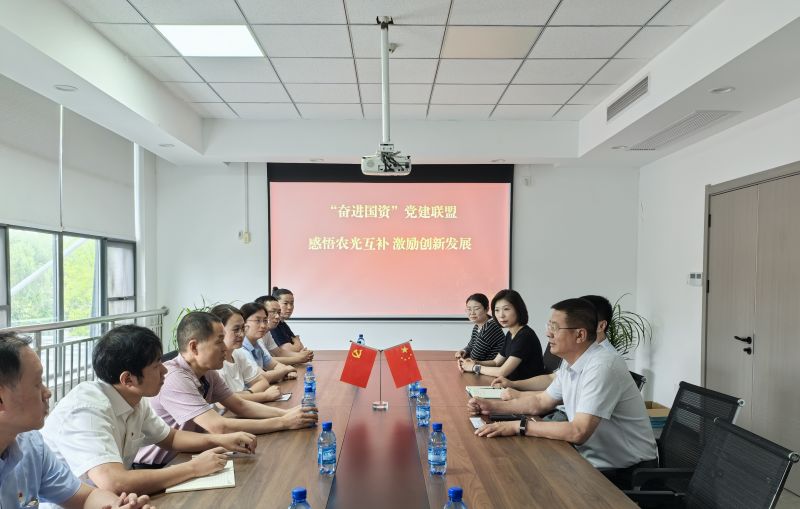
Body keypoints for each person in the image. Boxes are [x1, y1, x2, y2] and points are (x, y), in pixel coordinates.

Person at [41, 325, 257, 495]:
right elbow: (114, 483)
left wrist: (222, 440)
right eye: (156, 365)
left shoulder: (134, 398)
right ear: (128, 379)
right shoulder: (86, 410)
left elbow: (171, 438)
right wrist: (194, 468)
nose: (164, 370)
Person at [470, 298, 657, 475]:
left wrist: (518, 426)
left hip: (625, 471)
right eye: (549, 326)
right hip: (588, 459)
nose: (548, 333)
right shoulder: (571, 362)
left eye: (555, 327)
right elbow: (540, 402)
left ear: (580, 335)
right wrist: (491, 406)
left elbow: (578, 431)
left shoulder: (603, 365)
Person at [134, 312, 317, 466]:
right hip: (158, 466)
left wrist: (287, 414)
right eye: (219, 341)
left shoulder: (207, 372)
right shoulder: (174, 377)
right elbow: (219, 426)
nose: (225, 347)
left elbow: (240, 405)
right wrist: (284, 422)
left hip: (187, 455)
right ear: (194, 347)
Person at [0, 332, 153, 509]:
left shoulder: (32, 444)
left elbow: (86, 497)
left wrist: (118, 505)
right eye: (37, 384)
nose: (47, 392)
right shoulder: (87, 406)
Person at [492, 294, 618, 401]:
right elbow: (552, 379)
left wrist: (520, 395)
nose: (549, 334)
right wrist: (512, 384)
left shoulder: (603, 362)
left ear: (601, 326)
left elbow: (566, 398)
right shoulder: (578, 350)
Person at [457, 289, 545, 381]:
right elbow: (496, 362)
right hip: (510, 384)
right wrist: (473, 362)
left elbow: (502, 372)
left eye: (506, 309)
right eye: (497, 310)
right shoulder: (510, 334)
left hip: (522, 387)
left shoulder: (525, 336)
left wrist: (474, 367)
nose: (501, 315)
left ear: (518, 309)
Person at [210, 304, 282, 402]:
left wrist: (246, 394)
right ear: (219, 330)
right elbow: (222, 401)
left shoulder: (237, 353)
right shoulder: (211, 362)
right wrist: (264, 396)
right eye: (236, 329)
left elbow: (262, 382)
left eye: (243, 328)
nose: (241, 334)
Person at [239, 302, 302, 379]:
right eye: (257, 321)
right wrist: (286, 370)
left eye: (265, 320)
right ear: (243, 322)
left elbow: (274, 365)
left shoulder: (256, 344)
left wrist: (286, 370)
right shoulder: (241, 348)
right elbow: (261, 377)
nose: (263, 325)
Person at [252, 296, 313, 366]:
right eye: (273, 312)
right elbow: (265, 360)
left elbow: (279, 352)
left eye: (279, 312)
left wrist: (302, 355)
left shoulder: (267, 332)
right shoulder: (255, 333)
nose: (277, 316)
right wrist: (299, 358)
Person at [454, 293, 505, 362]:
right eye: (469, 309)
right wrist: (464, 351)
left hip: (493, 366)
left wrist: (467, 356)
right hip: (483, 365)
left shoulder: (490, 327)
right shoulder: (477, 326)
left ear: (486, 309)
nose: (472, 313)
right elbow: (471, 345)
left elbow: (475, 356)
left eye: (476, 309)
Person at [269, 287, 306, 353]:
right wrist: (297, 341)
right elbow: (288, 351)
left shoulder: (282, 323)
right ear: (275, 304)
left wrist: (297, 345)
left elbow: (301, 348)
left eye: (291, 303)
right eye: (285, 303)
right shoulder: (273, 325)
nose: (289, 307)